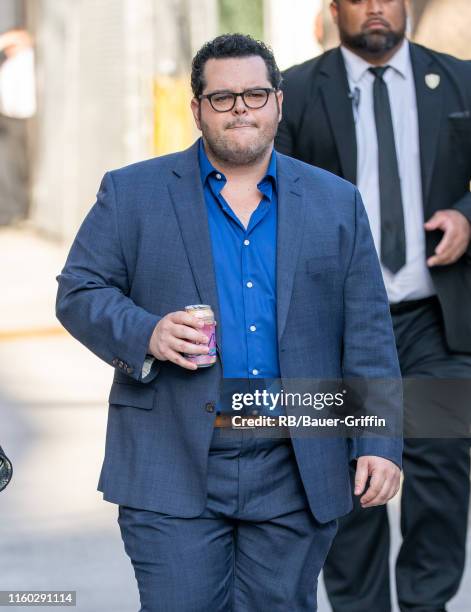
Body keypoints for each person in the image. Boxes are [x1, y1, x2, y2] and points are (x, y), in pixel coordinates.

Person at [56, 33, 402, 611]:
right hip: (172, 463)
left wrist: (380, 440)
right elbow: (78, 291)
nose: (241, 108)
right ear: (196, 109)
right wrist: (148, 332)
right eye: (222, 98)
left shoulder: (335, 201)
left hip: (295, 464)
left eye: (255, 94)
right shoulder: (133, 192)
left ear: (278, 103)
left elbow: (368, 333)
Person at [276, 1, 471, 611]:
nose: (377, 7)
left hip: (431, 320)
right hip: (335, 329)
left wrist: (468, 216)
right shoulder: (295, 92)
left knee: (440, 472)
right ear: (334, 9)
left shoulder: (462, 78)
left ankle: (426, 605)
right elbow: (263, 189)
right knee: (347, 483)